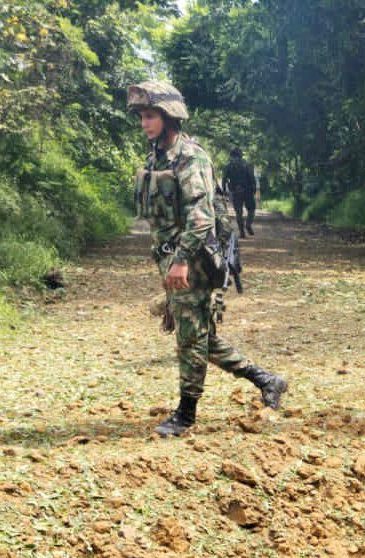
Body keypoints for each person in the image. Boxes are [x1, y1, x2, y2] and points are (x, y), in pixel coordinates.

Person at [128, 81, 287, 438]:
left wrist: (182, 260)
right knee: (200, 335)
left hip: (193, 261)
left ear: (169, 116)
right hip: (171, 259)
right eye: (141, 116)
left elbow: (201, 217)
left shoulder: (191, 157)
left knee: (190, 338)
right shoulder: (157, 157)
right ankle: (268, 380)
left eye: (150, 115)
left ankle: (186, 413)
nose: (144, 123)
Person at [222, 148, 258, 237]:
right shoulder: (248, 165)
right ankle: (248, 224)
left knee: (239, 213)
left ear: (232, 156)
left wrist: (224, 190)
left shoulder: (228, 166)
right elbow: (252, 178)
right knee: (251, 209)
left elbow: (224, 179)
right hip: (247, 191)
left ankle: (242, 232)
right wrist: (254, 189)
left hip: (236, 192)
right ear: (241, 155)